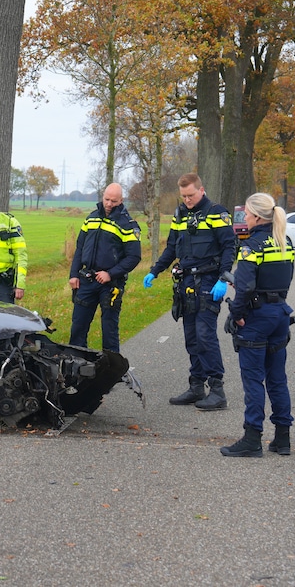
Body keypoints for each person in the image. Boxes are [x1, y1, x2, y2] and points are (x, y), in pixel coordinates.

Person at [142, 173, 237, 410]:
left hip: (208, 281)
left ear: (201, 190)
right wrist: (155, 270)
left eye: (191, 195)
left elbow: (229, 246)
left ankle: (217, 390)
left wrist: (224, 277)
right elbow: (172, 247)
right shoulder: (180, 214)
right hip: (186, 283)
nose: (187, 200)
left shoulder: (217, 213)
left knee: (205, 336)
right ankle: (196, 386)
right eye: (183, 196)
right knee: (192, 338)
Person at [220, 192, 295, 457]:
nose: (245, 218)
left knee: (253, 379)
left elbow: (245, 286)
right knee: (277, 379)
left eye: (247, 214)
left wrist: (237, 314)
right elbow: (286, 279)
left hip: (257, 317)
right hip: (280, 315)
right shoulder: (283, 241)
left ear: (256, 216)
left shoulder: (252, 245)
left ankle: (252, 439)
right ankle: (282, 439)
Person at [68, 183, 141, 352]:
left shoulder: (127, 224)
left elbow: (134, 257)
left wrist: (110, 274)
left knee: (109, 330)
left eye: (114, 201)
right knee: (78, 327)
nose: (109, 204)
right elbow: (79, 249)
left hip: (110, 285)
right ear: (102, 196)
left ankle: (112, 371)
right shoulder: (91, 218)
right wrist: (73, 275)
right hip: (86, 280)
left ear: (121, 200)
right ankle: (77, 369)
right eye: (107, 199)